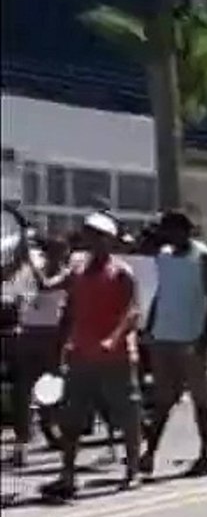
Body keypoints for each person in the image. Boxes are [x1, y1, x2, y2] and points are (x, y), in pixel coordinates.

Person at [40, 213, 142, 500]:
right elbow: (50, 287)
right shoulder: (77, 271)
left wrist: (114, 337)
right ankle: (67, 475)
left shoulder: (122, 272)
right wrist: (28, 262)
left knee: (127, 414)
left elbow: (133, 311)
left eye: (98, 234)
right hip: (81, 355)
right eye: (88, 234)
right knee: (71, 418)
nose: (92, 239)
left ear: (109, 239)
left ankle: (133, 469)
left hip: (116, 356)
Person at [141, 210, 207, 479]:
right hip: (164, 336)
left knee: (200, 401)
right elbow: (160, 294)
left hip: (192, 338)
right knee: (162, 400)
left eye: (173, 229)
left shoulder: (204, 257)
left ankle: (205, 453)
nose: (168, 235)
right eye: (166, 230)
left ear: (185, 230)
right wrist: (149, 326)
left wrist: (204, 335)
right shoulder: (162, 256)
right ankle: (149, 453)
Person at [9, 234, 70, 467]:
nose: (55, 256)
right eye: (52, 251)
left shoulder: (65, 274)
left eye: (59, 252)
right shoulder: (30, 270)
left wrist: (29, 263)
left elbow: (45, 285)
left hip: (52, 335)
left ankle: (52, 432)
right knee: (22, 389)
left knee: (51, 389)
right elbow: (17, 292)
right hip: (28, 333)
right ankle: (22, 441)